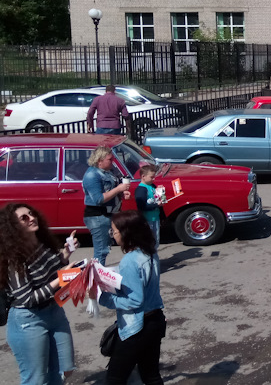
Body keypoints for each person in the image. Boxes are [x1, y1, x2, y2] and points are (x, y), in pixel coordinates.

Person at [1, 203, 77, 385]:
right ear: (13, 227)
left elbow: (50, 270)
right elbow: (27, 299)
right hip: (28, 320)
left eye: (31, 213)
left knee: (64, 369)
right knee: (36, 380)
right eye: (24, 218)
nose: (31, 218)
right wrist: (61, 279)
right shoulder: (14, 258)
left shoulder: (41, 242)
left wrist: (66, 254)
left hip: (54, 311)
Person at [99, 210, 166, 385]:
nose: (112, 235)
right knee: (151, 375)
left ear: (126, 233)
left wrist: (103, 297)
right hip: (155, 320)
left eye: (114, 231)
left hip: (137, 327)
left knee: (115, 378)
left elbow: (135, 300)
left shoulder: (129, 261)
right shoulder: (150, 253)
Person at [82, 145, 131, 265]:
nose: (112, 162)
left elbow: (112, 189)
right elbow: (98, 199)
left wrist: (122, 192)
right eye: (110, 159)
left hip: (109, 214)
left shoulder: (107, 171)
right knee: (101, 251)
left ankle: (100, 277)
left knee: (107, 248)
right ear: (100, 160)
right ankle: (97, 279)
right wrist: (118, 189)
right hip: (98, 216)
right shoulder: (92, 175)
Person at [135, 164, 162, 245]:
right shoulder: (141, 189)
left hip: (155, 218)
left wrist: (160, 192)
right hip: (147, 220)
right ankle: (150, 257)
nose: (153, 179)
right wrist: (157, 205)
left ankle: (153, 256)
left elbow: (156, 198)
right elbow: (141, 206)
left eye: (154, 177)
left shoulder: (152, 186)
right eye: (151, 177)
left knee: (155, 241)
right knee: (149, 242)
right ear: (143, 176)